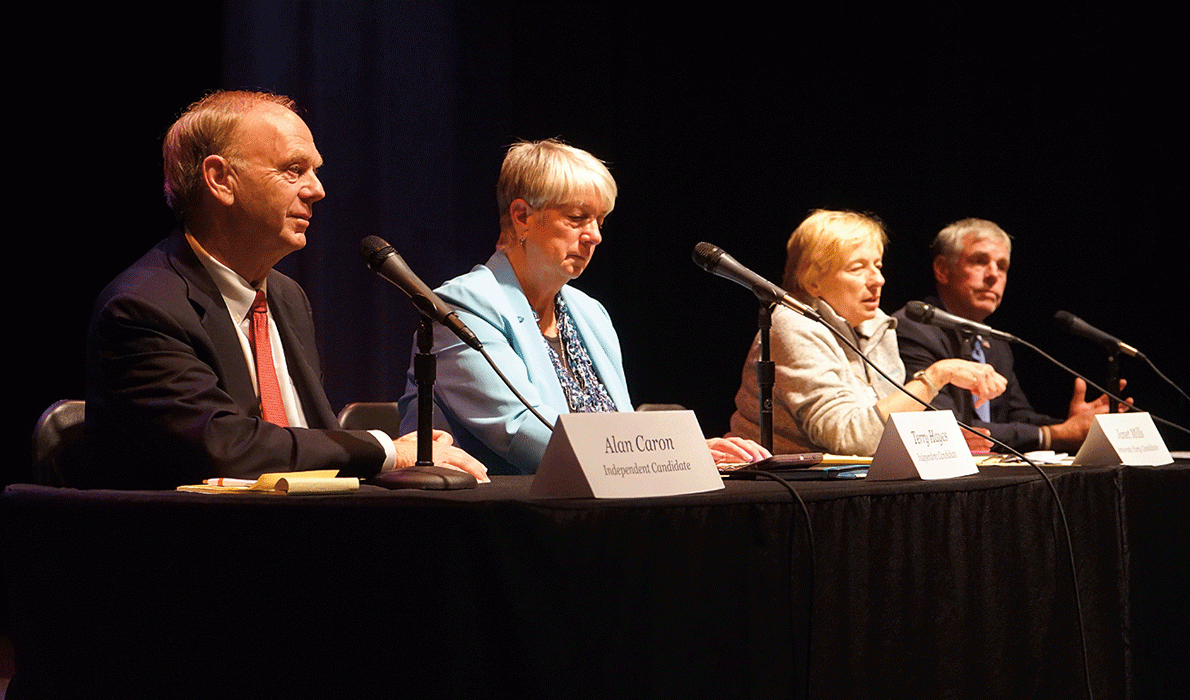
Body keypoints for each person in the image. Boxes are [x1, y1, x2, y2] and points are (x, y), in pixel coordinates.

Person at [84, 90, 486, 489]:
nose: (317, 190)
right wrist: (389, 450)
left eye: (315, 170)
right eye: (293, 170)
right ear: (221, 179)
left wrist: (398, 460)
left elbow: (311, 436)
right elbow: (225, 446)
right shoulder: (143, 308)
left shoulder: (286, 297)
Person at [396, 138, 769, 474]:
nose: (595, 235)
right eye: (576, 218)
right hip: (496, 525)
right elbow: (524, 433)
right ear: (522, 216)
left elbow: (620, 428)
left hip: (590, 510)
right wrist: (673, 457)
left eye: (600, 220)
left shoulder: (589, 313)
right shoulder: (459, 307)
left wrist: (689, 452)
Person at [729, 210, 1007, 456]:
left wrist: (938, 438)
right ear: (812, 281)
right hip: (786, 491)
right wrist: (936, 376)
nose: (878, 280)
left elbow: (884, 425)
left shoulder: (877, 325)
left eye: (878, 265)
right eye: (858, 268)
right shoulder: (794, 326)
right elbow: (850, 439)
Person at [893, 217, 1123, 452]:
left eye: (1002, 266)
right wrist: (1055, 435)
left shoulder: (994, 342)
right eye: (979, 261)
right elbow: (944, 427)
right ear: (942, 269)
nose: (994, 275)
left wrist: (1077, 426)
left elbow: (1017, 416)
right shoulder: (912, 329)